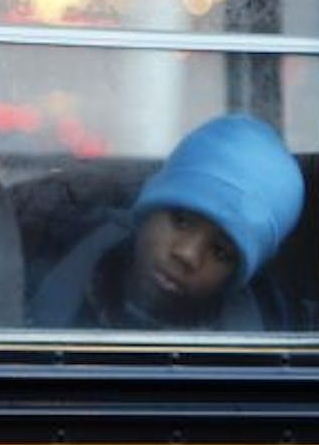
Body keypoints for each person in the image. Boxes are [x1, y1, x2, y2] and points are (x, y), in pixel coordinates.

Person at [28, 113, 304, 330]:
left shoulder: (263, 340)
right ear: (148, 208)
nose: (186, 254)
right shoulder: (53, 258)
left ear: (236, 277)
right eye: (181, 221)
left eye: (221, 252)